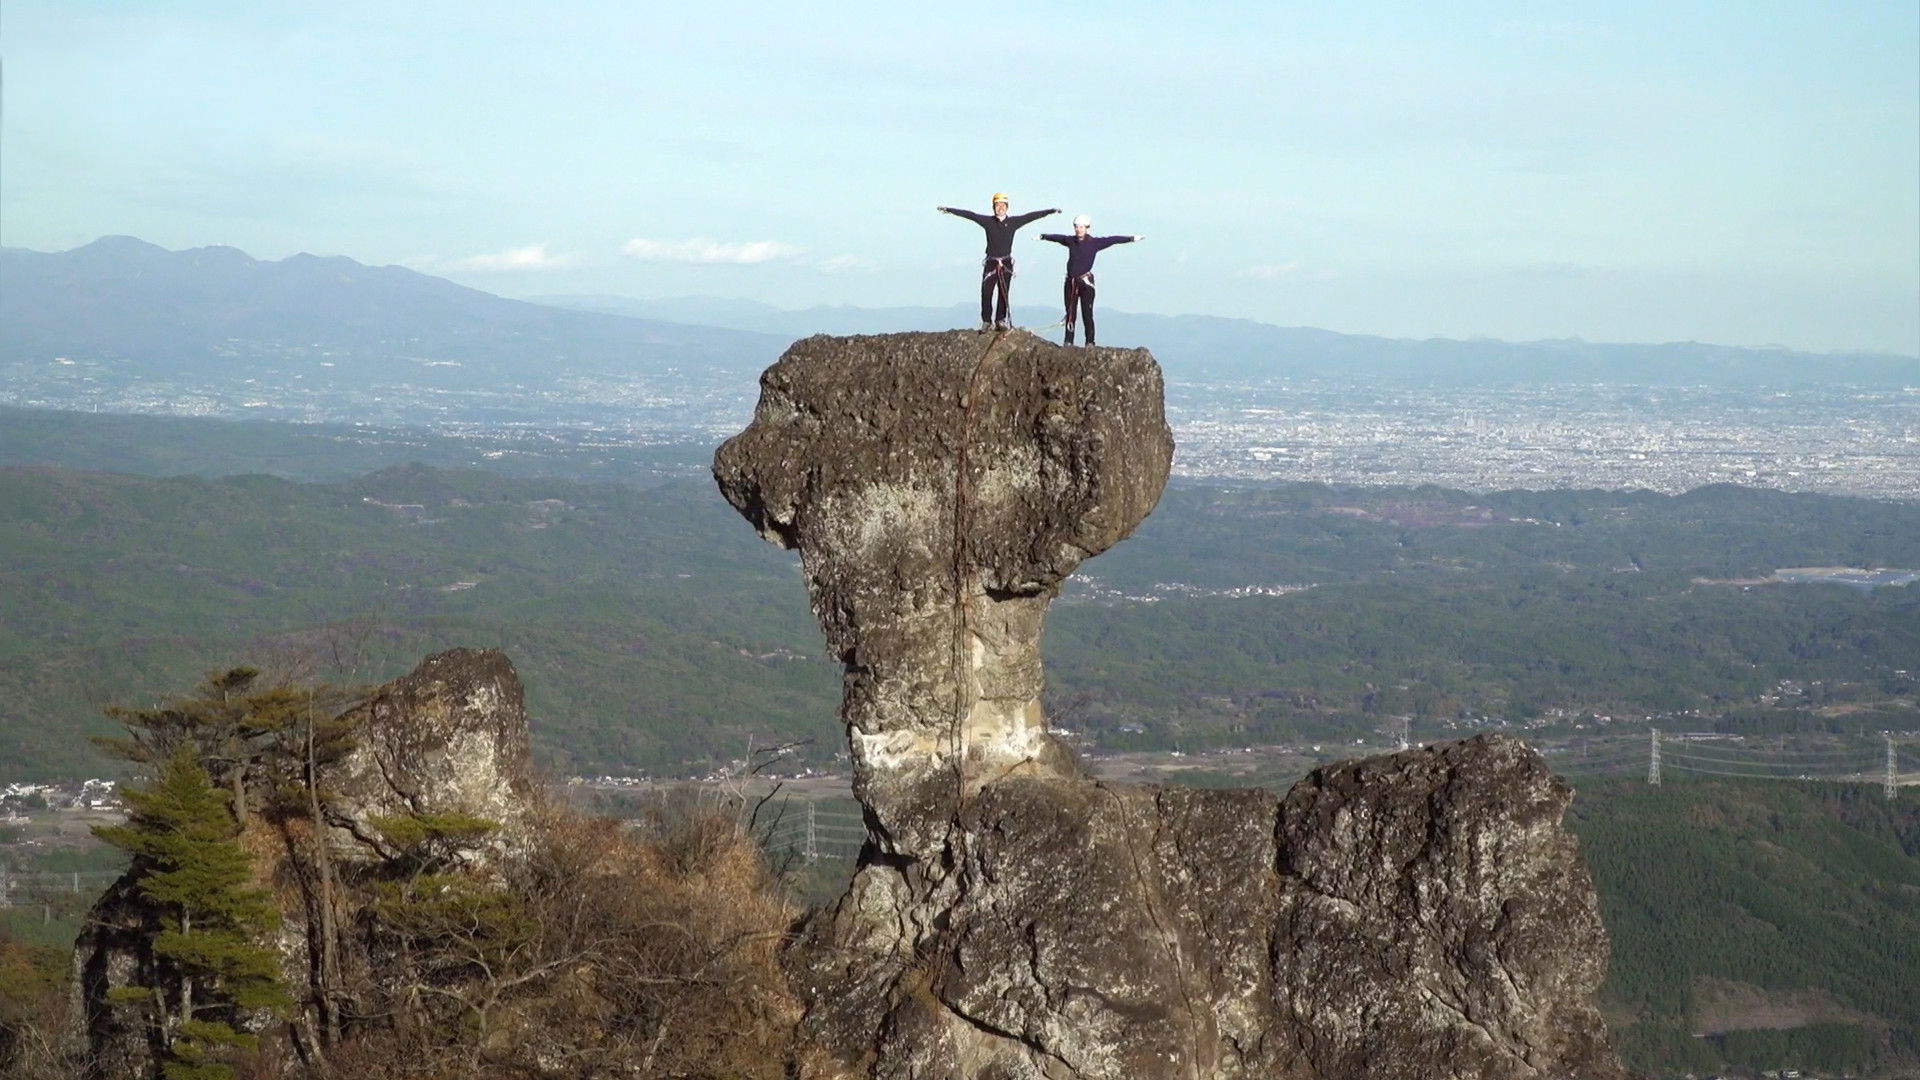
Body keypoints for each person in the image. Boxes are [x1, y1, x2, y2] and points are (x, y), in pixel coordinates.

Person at [936, 194, 1059, 331]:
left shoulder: (1013, 222)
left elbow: (1031, 216)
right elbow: (970, 215)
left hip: (1005, 262)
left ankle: (1000, 320)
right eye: (997, 205)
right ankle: (986, 320)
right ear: (993, 207)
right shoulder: (988, 221)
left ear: (1007, 207)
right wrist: (949, 210)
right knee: (986, 292)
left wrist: (1050, 211)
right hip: (991, 262)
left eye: (1002, 205)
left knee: (1003, 292)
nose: (1000, 208)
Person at [1040, 215, 1140, 347]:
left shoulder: (1094, 243)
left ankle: (1090, 341)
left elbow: (1113, 240)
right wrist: (1044, 236)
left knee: (1087, 313)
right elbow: (1057, 238)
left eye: (1081, 227)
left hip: (1086, 283)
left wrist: (1131, 239)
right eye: (1076, 227)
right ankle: (1069, 341)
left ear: (1086, 228)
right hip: (1071, 282)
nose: (1078, 229)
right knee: (1070, 313)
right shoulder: (1071, 241)